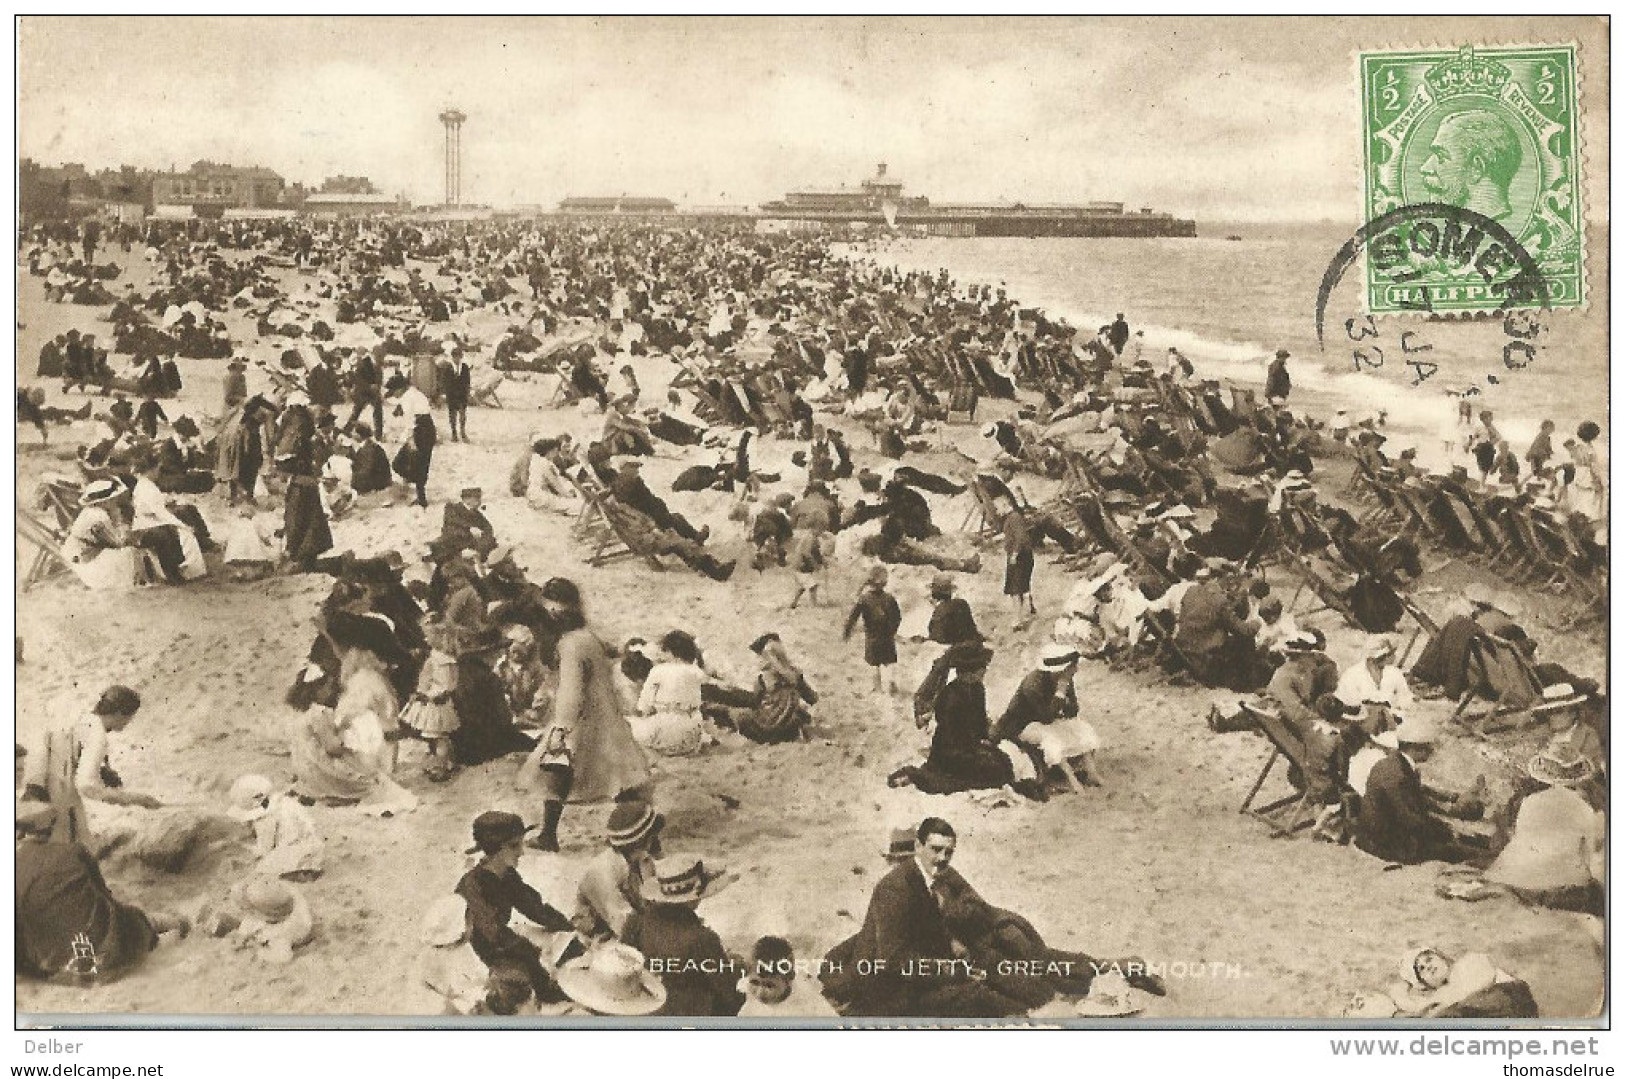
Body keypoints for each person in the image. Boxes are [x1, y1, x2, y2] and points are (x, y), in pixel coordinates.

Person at [831, 818, 1029, 1017]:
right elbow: (894, 960)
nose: (942, 858)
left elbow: (972, 912)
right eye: (935, 849)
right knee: (987, 1001)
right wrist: (953, 970)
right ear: (919, 847)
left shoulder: (935, 878)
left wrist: (953, 942)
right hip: (894, 990)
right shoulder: (895, 889)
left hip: (922, 974)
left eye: (948, 852)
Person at [518, 578, 652, 851]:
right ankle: (644, 831)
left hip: (581, 718)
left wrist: (561, 727)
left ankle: (549, 835)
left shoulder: (569, 645)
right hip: (604, 714)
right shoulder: (587, 637)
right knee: (619, 773)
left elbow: (571, 690)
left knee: (558, 770)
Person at [16, 804, 189, 983]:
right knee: (147, 924)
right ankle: (178, 928)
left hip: (45, 966)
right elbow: (106, 899)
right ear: (53, 827)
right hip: (94, 957)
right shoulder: (74, 851)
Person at [455, 811, 573, 1015]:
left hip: (500, 942)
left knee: (568, 945)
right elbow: (494, 935)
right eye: (514, 846)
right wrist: (534, 953)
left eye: (521, 844)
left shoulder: (506, 874)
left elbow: (534, 906)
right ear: (495, 849)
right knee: (521, 985)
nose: (522, 852)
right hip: (476, 954)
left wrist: (568, 928)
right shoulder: (472, 886)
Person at [19, 684, 161, 846]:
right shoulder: (97, 734)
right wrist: (133, 798)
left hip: (37, 791)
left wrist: (100, 771)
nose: (129, 721)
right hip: (59, 800)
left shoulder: (82, 719)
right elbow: (86, 785)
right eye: (131, 716)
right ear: (120, 713)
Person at [1483, 747, 1603, 913]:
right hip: (1562, 883)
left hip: (1516, 877)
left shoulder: (1529, 801)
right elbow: (1589, 855)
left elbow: (1519, 839)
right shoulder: (1584, 808)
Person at [623, 854, 745, 1017]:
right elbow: (728, 991)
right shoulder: (702, 938)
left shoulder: (637, 920)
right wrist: (739, 968)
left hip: (645, 1007)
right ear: (693, 899)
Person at [993, 643, 1102, 791]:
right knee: (1051, 738)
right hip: (1022, 725)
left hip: (1045, 721)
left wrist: (1064, 696)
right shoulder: (1032, 684)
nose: (1075, 670)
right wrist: (1060, 694)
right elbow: (1045, 716)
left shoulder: (1064, 679)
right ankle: (1071, 780)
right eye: (1072, 667)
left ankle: (1091, 772)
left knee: (1081, 727)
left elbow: (1073, 711)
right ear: (1061, 669)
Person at [574, 797, 664, 943]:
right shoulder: (602, 871)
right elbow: (624, 926)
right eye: (653, 836)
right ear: (644, 840)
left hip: (633, 924)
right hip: (597, 935)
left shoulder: (643, 860)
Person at [399, 618, 462, 781]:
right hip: (444, 701)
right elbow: (453, 682)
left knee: (437, 738)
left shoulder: (432, 660)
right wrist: (446, 692)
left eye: (428, 636)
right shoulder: (451, 660)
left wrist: (420, 693)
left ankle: (440, 768)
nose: (426, 639)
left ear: (438, 637)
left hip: (432, 702)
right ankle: (451, 763)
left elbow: (424, 681)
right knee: (443, 736)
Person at [630, 630, 710, 756]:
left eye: (665, 651)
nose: (662, 654)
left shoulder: (658, 670)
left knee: (630, 724)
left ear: (672, 652)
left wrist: (645, 713)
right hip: (692, 736)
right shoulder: (697, 672)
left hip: (666, 729)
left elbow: (645, 704)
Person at [844, 565, 902, 695]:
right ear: (885, 583)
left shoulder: (864, 599)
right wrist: (892, 630)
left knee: (873, 664)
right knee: (889, 662)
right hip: (887, 636)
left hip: (872, 636)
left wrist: (847, 632)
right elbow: (897, 617)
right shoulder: (890, 598)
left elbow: (853, 617)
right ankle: (891, 681)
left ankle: (878, 688)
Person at [1335, 635, 1416, 717]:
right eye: (1392, 653)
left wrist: (1399, 707)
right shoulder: (1352, 674)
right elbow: (1347, 703)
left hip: (1391, 720)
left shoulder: (1394, 673)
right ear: (1383, 656)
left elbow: (1405, 697)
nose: (1394, 656)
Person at [441, 486, 497, 559]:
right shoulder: (452, 508)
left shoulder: (477, 513)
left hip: (473, 546)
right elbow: (453, 521)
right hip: (455, 544)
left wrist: (484, 538)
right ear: (466, 499)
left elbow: (488, 528)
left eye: (479, 497)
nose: (479, 501)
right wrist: (470, 528)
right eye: (476, 498)